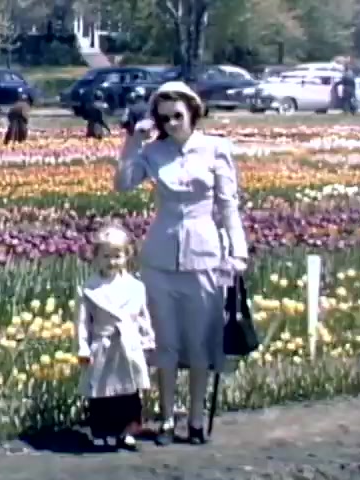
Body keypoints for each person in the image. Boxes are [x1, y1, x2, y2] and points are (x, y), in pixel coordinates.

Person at [113, 81, 248, 446]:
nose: (171, 123)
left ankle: (196, 417)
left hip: (205, 255)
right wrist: (133, 142)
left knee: (200, 342)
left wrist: (238, 252)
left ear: (193, 113)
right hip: (160, 254)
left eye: (177, 116)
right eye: (164, 117)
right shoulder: (154, 152)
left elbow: (228, 206)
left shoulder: (216, 150)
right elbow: (123, 184)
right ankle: (168, 418)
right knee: (166, 342)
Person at [75, 223, 155, 451]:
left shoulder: (135, 287)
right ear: (96, 258)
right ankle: (101, 431)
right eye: (106, 256)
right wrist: (82, 347)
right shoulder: (89, 289)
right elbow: (82, 323)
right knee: (101, 392)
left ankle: (128, 430)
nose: (112, 262)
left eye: (117, 256)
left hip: (128, 345)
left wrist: (147, 339)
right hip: (103, 345)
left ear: (127, 256)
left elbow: (142, 316)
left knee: (129, 392)